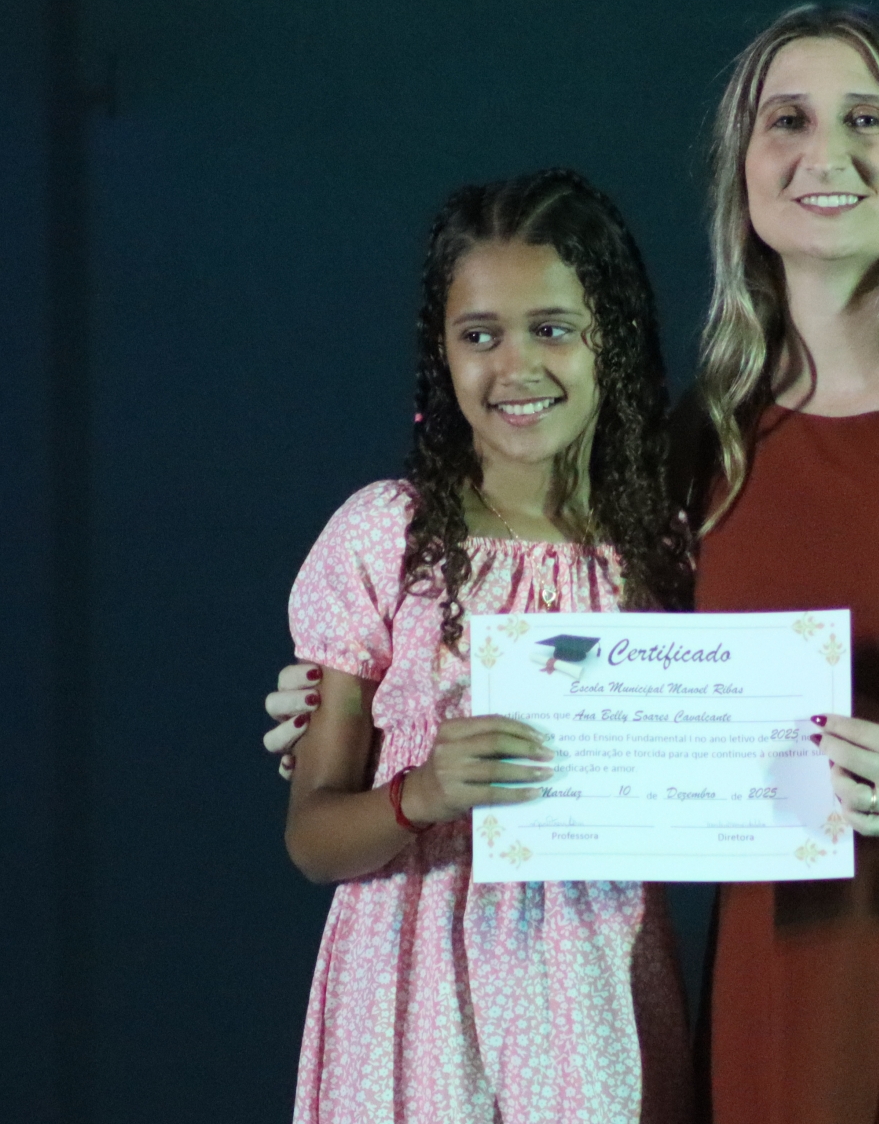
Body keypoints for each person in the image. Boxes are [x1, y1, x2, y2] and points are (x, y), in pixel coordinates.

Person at [268, 7, 879, 1123]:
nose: (826, 153)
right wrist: (366, 708)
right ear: (743, 169)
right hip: (806, 958)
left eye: (868, 119)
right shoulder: (709, 444)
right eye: (788, 120)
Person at [280, 169, 692, 1124]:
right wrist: (420, 793)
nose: (516, 366)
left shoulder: (670, 548)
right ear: (443, 350)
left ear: (614, 336)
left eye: (552, 328)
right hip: (411, 991)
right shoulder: (385, 535)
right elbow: (312, 839)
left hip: (596, 988)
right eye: (480, 335)